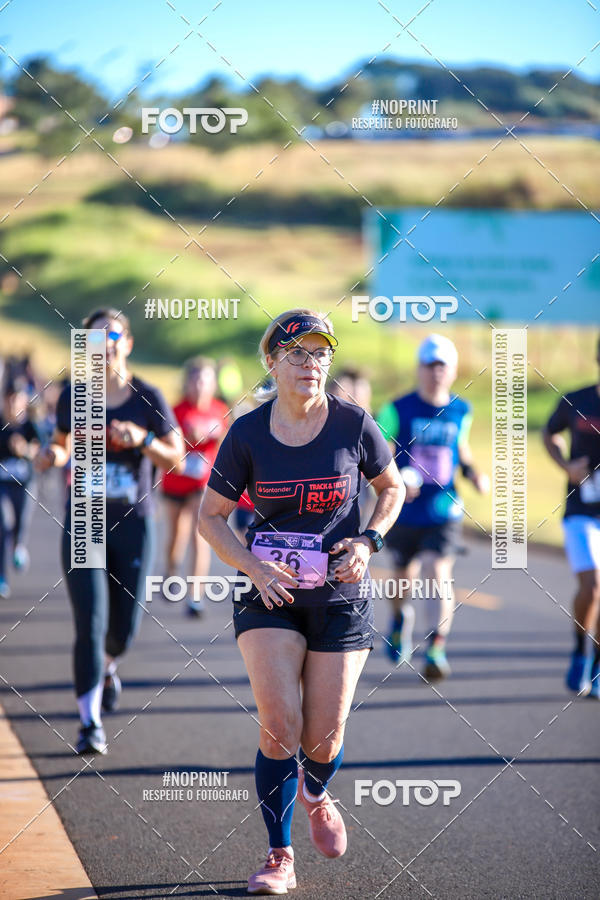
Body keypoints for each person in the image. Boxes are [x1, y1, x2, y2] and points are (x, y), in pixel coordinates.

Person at [198, 309, 404, 895]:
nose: (310, 364)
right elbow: (209, 518)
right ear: (272, 362)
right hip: (270, 592)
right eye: (297, 353)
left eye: (320, 354)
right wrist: (254, 566)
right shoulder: (248, 432)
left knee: (323, 738)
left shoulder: (354, 424)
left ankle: (315, 789)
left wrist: (369, 540)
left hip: (340, 593)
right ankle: (278, 852)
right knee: (279, 725)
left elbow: (394, 488)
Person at [36, 308, 183, 755]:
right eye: (93, 340)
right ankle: (89, 722)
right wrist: (53, 458)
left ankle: (109, 667)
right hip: (84, 523)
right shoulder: (72, 396)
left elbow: (175, 458)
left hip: (133, 525)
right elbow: (61, 447)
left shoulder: (148, 397)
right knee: (91, 623)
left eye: (111, 336)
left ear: (128, 342)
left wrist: (141, 440)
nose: (103, 346)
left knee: (122, 630)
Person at [377, 334, 489, 679]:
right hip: (404, 509)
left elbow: (462, 449)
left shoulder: (461, 409)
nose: (435, 373)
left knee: (437, 572)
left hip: (444, 507)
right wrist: (395, 480)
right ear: (419, 369)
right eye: (429, 365)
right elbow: (376, 454)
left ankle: (436, 647)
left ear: (453, 370)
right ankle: (399, 619)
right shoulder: (396, 409)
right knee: (402, 578)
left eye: (442, 366)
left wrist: (474, 473)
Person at [543, 335, 600, 699]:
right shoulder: (577, 400)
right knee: (592, 587)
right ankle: (580, 649)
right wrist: (567, 465)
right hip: (582, 512)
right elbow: (549, 434)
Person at [161, 357, 229, 617]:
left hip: (202, 483)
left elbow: (226, 443)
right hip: (175, 479)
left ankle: (195, 596)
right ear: (187, 382)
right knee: (176, 534)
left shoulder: (219, 409)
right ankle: (171, 571)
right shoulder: (175, 410)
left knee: (200, 536)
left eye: (206, 380)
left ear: (213, 384)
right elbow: (166, 442)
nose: (200, 385)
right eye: (196, 379)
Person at [0, 379, 42, 597]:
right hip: (2, 486)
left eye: (18, 398)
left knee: (20, 522)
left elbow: (42, 453)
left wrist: (25, 449)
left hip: (25, 485)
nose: (14, 403)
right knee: (3, 524)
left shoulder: (30, 425)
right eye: (10, 398)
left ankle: (19, 546)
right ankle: (2, 576)